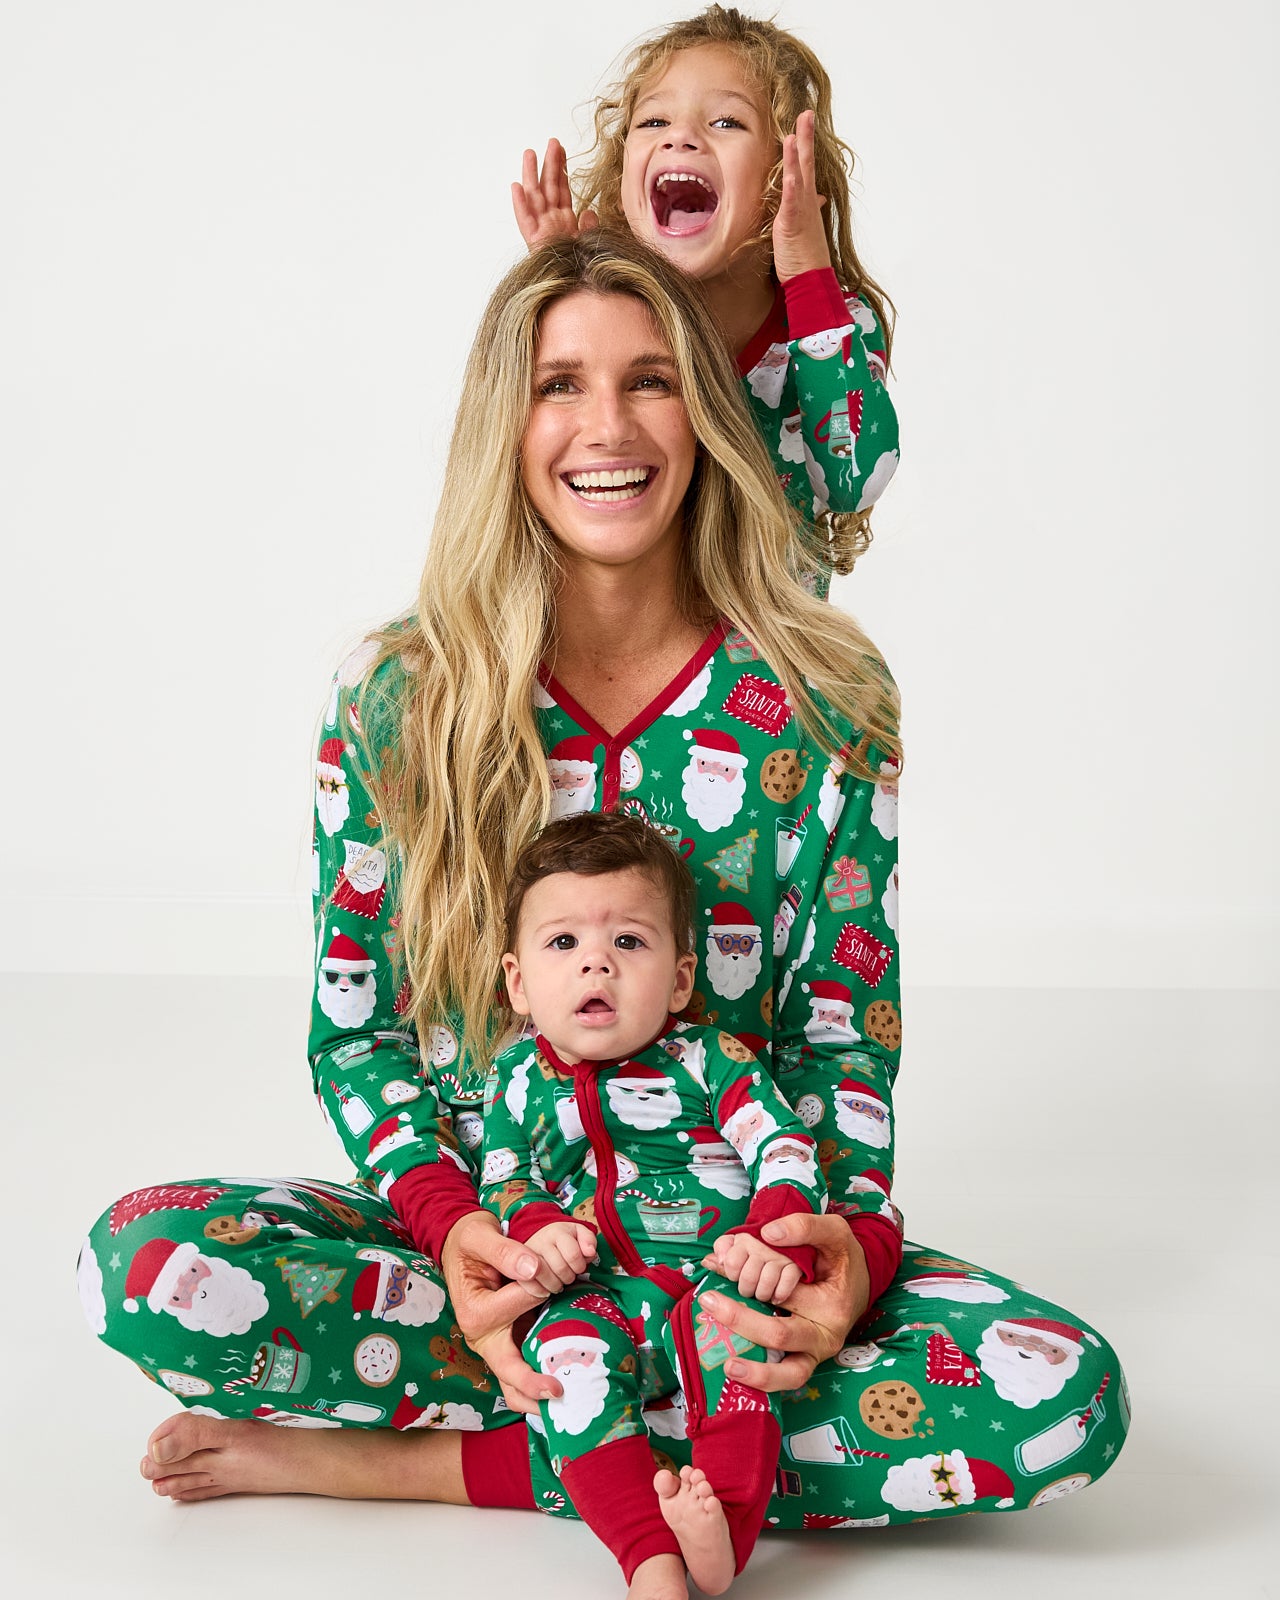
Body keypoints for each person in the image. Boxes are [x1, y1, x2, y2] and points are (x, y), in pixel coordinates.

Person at [80, 232, 1128, 1567]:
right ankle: (643, 1436)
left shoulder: (822, 702)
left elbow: (843, 1040)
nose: (606, 426)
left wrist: (847, 1256)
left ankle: (431, 1461)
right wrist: (455, 1234)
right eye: (558, 383)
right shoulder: (396, 698)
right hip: (497, 1264)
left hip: (740, 1279)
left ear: (706, 414)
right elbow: (358, 1036)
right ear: (502, 424)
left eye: (649, 380)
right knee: (141, 1265)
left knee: (1070, 1399)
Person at [485, 811, 825, 1595]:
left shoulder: (709, 1058)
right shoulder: (516, 1081)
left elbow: (782, 1145)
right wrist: (538, 1226)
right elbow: (503, 1176)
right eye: (563, 944)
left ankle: (722, 1537)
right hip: (598, 1297)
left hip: (714, 1276)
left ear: (679, 978)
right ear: (518, 981)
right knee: (566, 1357)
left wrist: (772, 1241)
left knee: (740, 1337)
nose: (595, 965)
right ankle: (648, 1559)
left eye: (628, 943)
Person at [512, 4, 900, 593]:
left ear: (783, 178)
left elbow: (854, 480)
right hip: (623, 647)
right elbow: (546, 464)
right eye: (652, 123)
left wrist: (809, 279)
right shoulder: (624, 314)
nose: (681, 138)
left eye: (726, 123)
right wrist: (566, 289)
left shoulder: (833, 324)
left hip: (762, 664)